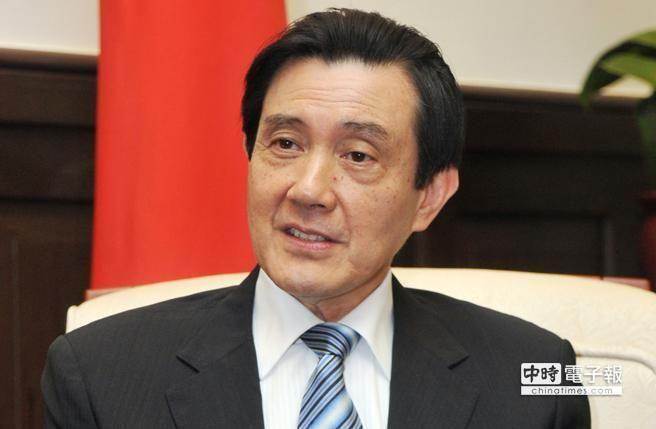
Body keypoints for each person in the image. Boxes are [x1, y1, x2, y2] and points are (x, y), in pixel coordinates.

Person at [42, 8, 590, 428]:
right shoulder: (99, 374)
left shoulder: (536, 378)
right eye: (285, 143)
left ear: (429, 197)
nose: (308, 190)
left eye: (358, 156)